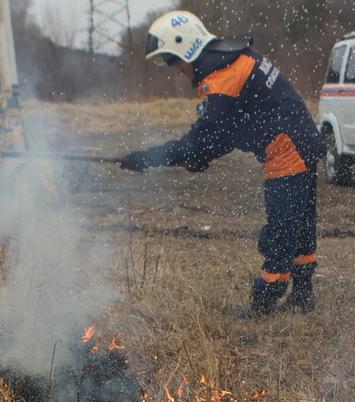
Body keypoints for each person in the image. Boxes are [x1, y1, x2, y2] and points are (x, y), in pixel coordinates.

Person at [120, 11, 325, 315]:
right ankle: (303, 295)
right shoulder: (234, 60)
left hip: (287, 152)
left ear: (185, 47)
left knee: (281, 232)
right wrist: (199, 155)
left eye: (170, 59)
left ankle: (264, 304)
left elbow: (205, 139)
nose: (174, 69)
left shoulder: (224, 77)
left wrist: (149, 158)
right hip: (301, 142)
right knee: (300, 225)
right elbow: (227, 131)